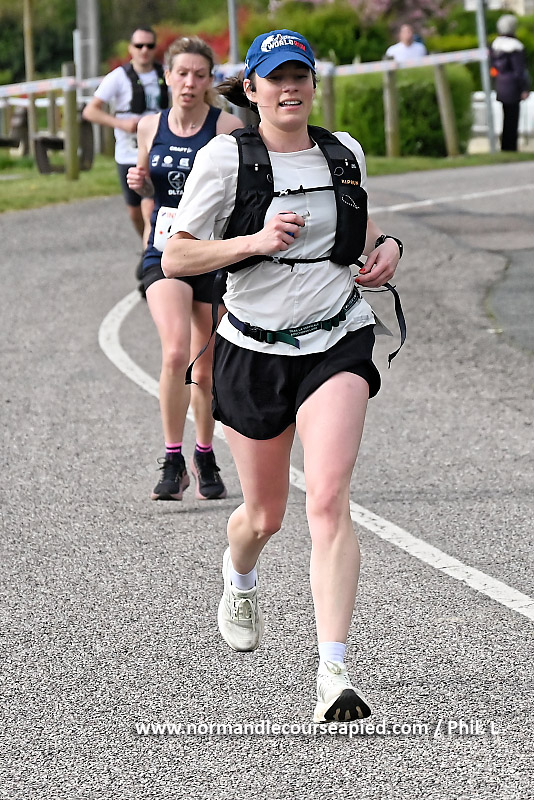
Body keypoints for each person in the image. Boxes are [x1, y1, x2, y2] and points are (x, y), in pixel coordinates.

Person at [161, 29, 403, 722]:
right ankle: (239, 576)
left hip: (337, 339)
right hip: (253, 349)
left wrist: (386, 247)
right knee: (264, 517)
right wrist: (255, 242)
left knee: (327, 499)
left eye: (300, 76)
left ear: (314, 84)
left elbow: (358, 227)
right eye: (275, 78)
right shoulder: (224, 159)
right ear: (252, 89)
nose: (289, 88)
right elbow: (177, 258)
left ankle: (334, 673)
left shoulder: (342, 152)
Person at [126, 36, 242, 502]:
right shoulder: (149, 126)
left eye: (199, 74)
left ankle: (204, 453)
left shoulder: (226, 127)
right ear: (168, 77)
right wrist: (140, 187)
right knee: (176, 353)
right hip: (164, 253)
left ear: (210, 80)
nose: (190, 82)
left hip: (209, 255)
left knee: (205, 367)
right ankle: (172, 460)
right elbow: (147, 190)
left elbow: (241, 193)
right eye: (182, 73)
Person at [83, 27, 169, 282]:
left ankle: (152, 258)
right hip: (128, 153)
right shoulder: (118, 77)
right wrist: (122, 124)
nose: (144, 51)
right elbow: (90, 111)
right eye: (139, 45)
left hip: (157, 152)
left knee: (151, 206)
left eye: (149, 46)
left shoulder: (166, 74)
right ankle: (149, 248)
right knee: (135, 212)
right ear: (130, 48)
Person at [490, 14, 530, 152]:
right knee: (512, 118)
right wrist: (524, 88)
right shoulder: (515, 47)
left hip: (501, 84)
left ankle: (504, 146)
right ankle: (511, 147)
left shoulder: (495, 45)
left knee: (506, 117)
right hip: (513, 86)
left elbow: (493, 68)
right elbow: (519, 71)